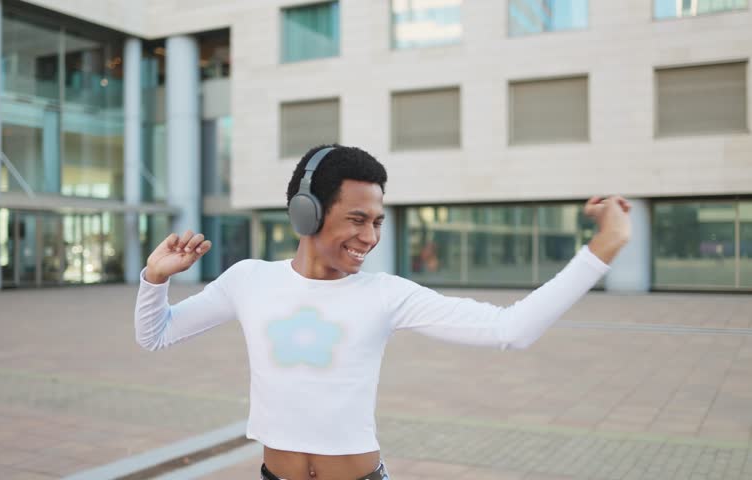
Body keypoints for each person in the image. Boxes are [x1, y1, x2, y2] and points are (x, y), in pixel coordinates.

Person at [134, 144, 631, 480]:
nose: (370, 238)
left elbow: (511, 330)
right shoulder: (248, 279)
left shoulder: (386, 294)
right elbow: (155, 335)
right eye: (356, 219)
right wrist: (155, 279)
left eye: (377, 222)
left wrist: (602, 248)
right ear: (305, 212)